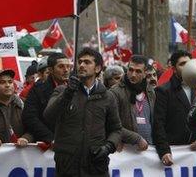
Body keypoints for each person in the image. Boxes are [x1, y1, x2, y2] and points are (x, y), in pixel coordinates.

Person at [44, 48, 122, 177]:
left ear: (97, 68)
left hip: (96, 166)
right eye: (79, 62)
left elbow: (116, 129)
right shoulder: (62, 91)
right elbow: (49, 116)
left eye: (87, 62)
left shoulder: (108, 97)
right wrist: (67, 93)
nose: (81, 65)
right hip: (68, 167)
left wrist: (108, 147)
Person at [153, 50, 196, 166]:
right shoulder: (163, 91)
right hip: (174, 152)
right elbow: (158, 124)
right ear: (173, 68)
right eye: (182, 64)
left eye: (188, 63)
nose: (187, 67)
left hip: (195, 153)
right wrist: (164, 151)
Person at [22, 53, 71, 143]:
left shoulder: (75, 87)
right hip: (47, 144)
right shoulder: (38, 89)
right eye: (61, 67)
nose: (66, 70)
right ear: (50, 69)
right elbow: (30, 117)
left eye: (68, 66)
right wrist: (51, 138)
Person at [110, 55, 152, 149]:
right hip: (126, 151)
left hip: (149, 150)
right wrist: (137, 139)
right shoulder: (115, 92)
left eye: (138, 71)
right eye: (131, 70)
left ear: (145, 73)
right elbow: (112, 124)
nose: (133, 74)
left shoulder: (150, 92)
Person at [0, 69, 32, 147]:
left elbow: (34, 128)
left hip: (22, 155)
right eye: (2, 82)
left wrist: (26, 138)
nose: (7, 85)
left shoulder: (24, 104)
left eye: (10, 82)